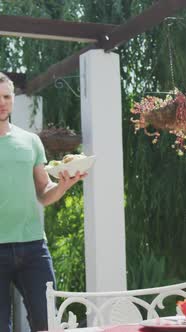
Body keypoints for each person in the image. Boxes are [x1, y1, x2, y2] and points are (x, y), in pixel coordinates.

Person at [0, 72, 86, 332]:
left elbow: (43, 191)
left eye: (6, 96)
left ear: (13, 98)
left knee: (47, 322)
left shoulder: (30, 141)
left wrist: (63, 185)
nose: (2, 102)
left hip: (33, 248)